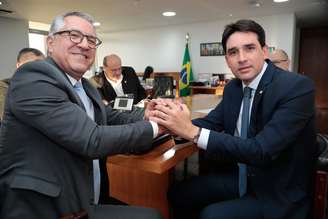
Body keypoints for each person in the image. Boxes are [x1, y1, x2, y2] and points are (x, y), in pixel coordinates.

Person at [0, 11, 162, 219]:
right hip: (45, 207)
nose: (85, 45)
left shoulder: (84, 85)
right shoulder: (34, 78)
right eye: (74, 35)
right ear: (50, 43)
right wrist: (156, 127)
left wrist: (147, 114)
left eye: (92, 40)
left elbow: (109, 115)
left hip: (86, 197)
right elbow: (92, 139)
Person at [150, 19, 317, 219]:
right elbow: (209, 123)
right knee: (178, 194)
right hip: (241, 175)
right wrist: (168, 123)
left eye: (249, 48)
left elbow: (261, 151)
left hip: (277, 188)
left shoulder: (296, 87)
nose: (242, 58)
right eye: (233, 52)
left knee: (211, 215)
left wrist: (192, 132)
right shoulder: (233, 88)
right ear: (227, 59)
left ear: (265, 52)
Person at [0, 48, 45, 119]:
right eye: (31, 65)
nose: (38, 69)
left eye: (42, 66)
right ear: (18, 65)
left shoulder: (43, 86)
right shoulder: (3, 86)